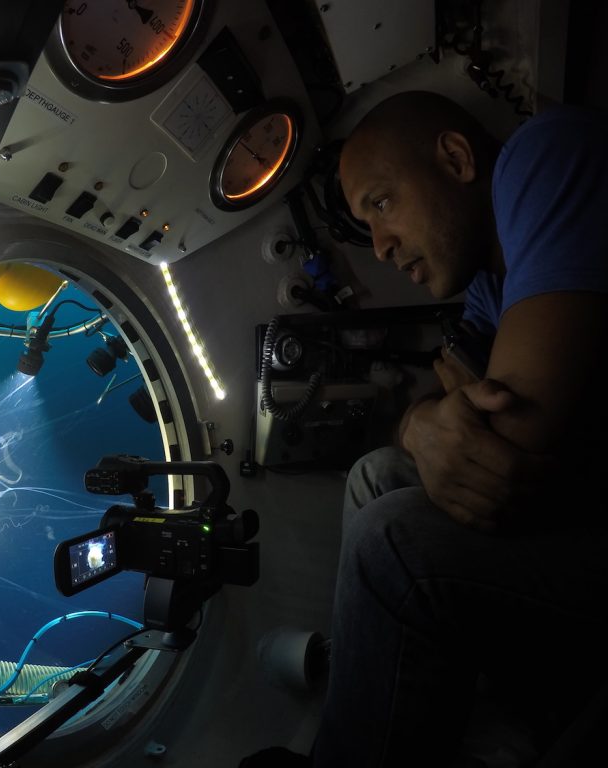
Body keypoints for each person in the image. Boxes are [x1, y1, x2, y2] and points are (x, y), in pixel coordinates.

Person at [242, 91, 608, 767]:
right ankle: (408, 719)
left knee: (394, 545)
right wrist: (419, 429)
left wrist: (450, 424)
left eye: (381, 203)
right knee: (373, 476)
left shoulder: (546, 157)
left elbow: (508, 454)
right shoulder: (490, 289)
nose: (379, 246)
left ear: (456, 159)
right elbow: (427, 407)